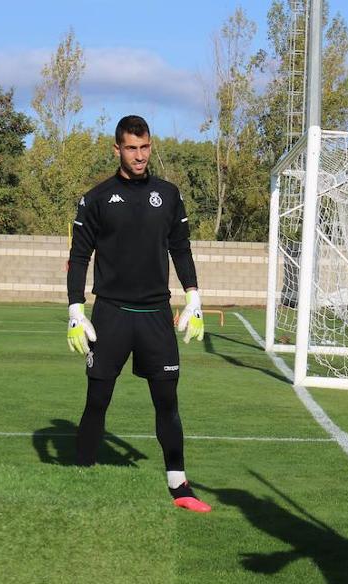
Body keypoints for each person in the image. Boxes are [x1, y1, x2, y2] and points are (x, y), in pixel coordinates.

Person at [66, 115, 211, 513]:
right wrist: (76, 310)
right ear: (117, 149)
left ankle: (180, 487)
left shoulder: (168, 194)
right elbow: (79, 257)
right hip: (111, 313)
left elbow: (181, 248)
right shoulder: (95, 198)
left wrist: (194, 298)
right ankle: (80, 478)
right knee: (98, 399)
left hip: (155, 315)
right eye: (131, 148)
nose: (140, 156)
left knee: (167, 401)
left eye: (145, 147)